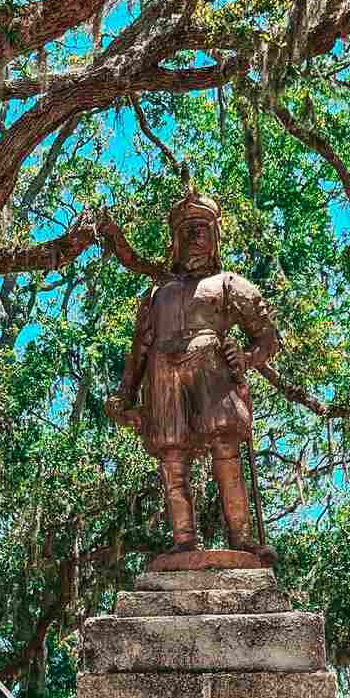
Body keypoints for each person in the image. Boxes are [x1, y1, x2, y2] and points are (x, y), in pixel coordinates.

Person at [106, 192, 280, 557]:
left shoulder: (230, 284)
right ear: (175, 239)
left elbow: (268, 338)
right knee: (172, 459)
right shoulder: (157, 293)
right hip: (163, 373)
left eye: (202, 229)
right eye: (186, 230)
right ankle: (183, 540)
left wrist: (246, 357)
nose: (194, 237)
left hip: (210, 368)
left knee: (226, 450)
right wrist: (125, 393)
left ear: (215, 235)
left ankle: (241, 539)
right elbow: (138, 348)